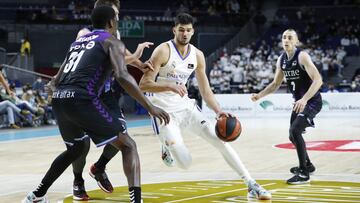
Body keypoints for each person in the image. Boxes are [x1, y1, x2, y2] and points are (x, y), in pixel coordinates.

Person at [22, 5, 169, 203]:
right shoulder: (111, 40)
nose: (117, 20)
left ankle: (36, 195)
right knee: (128, 145)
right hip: (83, 98)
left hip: (60, 98)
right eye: (116, 18)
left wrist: (52, 86)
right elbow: (123, 76)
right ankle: (136, 201)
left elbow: (57, 78)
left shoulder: (79, 42)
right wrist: (150, 107)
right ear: (111, 22)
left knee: (75, 150)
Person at [139, 13, 271, 200]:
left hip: (186, 108)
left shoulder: (197, 55)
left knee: (220, 141)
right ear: (174, 30)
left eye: (188, 30)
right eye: (181, 30)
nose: (185, 33)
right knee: (184, 162)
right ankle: (166, 144)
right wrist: (169, 85)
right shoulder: (162, 51)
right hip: (163, 111)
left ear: (193, 32)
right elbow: (144, 85)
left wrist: (218, 111)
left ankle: (251, 183)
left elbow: (205, 90)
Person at [251, 29, 323, 184]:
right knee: (292, 136)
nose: (286, 40)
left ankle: (304, 173)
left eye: (290, 38)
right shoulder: (281, 59)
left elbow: (318, 80)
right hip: (299, 103)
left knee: (295, 131)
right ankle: (308, 165)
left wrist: (304, 99)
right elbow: (275, 84)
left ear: (296, 41)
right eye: (284, 37)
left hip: (312, 101)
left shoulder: (302, 56)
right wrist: (259, 95)